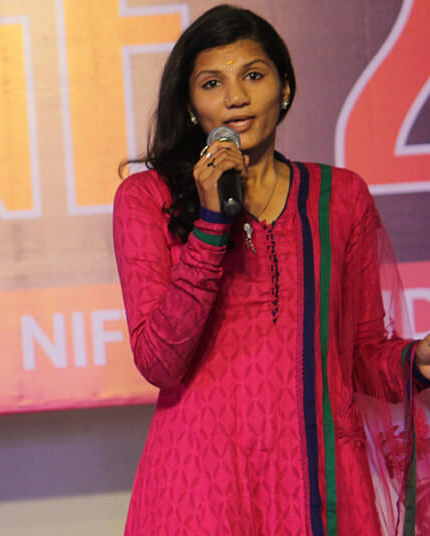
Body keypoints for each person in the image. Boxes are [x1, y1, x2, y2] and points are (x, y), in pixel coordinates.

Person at [113, 4, 430, 534]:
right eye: (212, 83)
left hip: (320, 483)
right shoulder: (148, 199)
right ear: (190, 106)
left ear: (284, 88)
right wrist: (211, 223)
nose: (235, 97)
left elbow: (357, 358)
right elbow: (158, 361)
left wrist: (415, 361)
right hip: (203, 486)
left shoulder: (338, 198)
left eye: (254, 76)